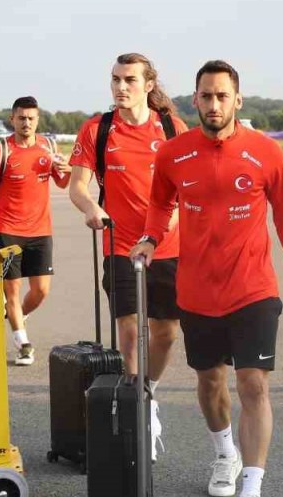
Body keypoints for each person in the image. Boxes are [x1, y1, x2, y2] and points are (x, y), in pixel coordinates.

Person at [133, 60, 283, 497]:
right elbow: (159, 203)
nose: (214, 104)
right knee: (210, 383)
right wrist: (150, 238)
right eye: (206, 96)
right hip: (196, 290)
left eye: (222, 96)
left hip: (252, 288)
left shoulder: (266, 151)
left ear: (238, 100)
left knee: (252, 383)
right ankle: (224, 454)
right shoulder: (173, 153)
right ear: (194, 99)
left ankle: (252, 482)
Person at [68, 53, 188, 458]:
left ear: (148, 85)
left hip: (167, 246)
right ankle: (139, 409)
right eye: (115, 79)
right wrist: (91, 208)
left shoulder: (172, 127)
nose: (121, 87)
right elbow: (78, 186)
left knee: (166, 333)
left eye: (130, 80)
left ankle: (148, 392)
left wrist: (163, 228)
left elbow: (187, 190)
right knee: (130, 330)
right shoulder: (97, 129)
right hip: (119, 243)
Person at [0, 96, 71, 367]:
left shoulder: (48, 146)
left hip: (40, 231)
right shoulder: (1, 150)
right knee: (11, 291)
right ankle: (22, 342)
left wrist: (66, 169)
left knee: (41, 291)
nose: (26, 123)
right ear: (13, 119)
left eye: (31, 118)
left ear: (38, 120)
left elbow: (62, 183)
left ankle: (16, 317)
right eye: (21, 118)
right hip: (9, 230)